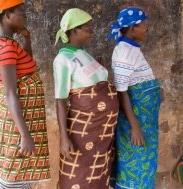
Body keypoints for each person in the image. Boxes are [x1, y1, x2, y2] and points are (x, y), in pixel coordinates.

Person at [0, 0, 50, 188]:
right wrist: (25, 135)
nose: (25, 17)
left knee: (17, 178)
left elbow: (26, 65)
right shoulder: (6, 48)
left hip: (16, 121)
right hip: (17, 125)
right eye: (21, 13)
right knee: (14, 179)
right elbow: (10, 93)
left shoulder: (5, 43)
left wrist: (27, 39)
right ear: (7, 16)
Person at [54, 8, 119, 189]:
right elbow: (60, 100)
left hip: (100, 134)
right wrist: (64, 138)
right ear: (74, 31)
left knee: (98, 177)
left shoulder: (83, 53)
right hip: (83, 133)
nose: (91, 30)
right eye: (87, 27)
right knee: (77, 177)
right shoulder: (62, 59)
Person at [108, 7, 161, 189]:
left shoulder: (131, 49)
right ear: (132, 28)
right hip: (137, 122)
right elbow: (122, 92)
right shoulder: (124, 52)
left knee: (144, 163)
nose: (146, 29)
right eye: (143, 26)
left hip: (146, 121)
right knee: (136, 165)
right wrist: (135, 127)